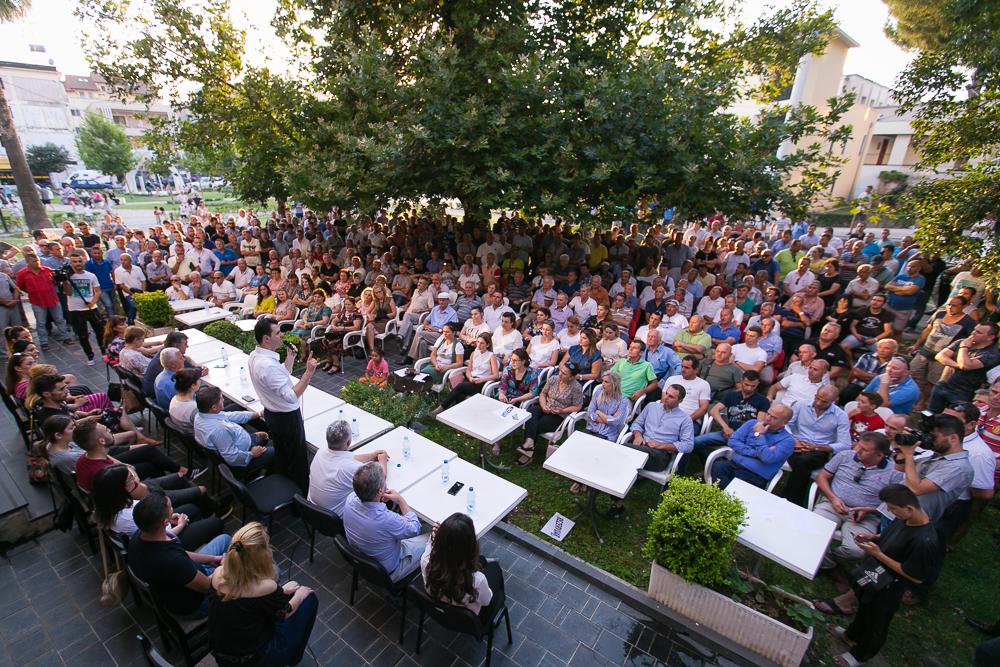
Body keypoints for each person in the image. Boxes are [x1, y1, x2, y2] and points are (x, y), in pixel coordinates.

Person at [826, 484, 943, 667]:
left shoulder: (925, 541)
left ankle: (859, 655)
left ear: (909, 508)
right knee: (864, 606)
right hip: (875, 574)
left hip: (890, 586)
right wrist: (873, 538)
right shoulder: (905, 519)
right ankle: (851, 635)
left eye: (893, 508)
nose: (889, 511)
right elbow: (894, 536)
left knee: (877, 621)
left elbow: (915, 576)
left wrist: (878, 554)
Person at [208, 522, 319, 667]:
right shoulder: (266, 587)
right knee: (309, 599)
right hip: (255, 660)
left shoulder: (217, 574)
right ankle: (291, 657)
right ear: (261, 556)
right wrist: (299, 596)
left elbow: (243, 599)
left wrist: (281, 591)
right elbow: (283, 613)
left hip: (222, 655)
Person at [127, 491, 231, 618]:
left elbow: (180, 552)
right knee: (241, 576)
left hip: (185, 578)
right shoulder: (171, 560)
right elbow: (207, 586)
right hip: (196, 604)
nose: (173, 509)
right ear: (165, 523)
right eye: (171, 508)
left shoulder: (139, 536)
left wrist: (212, 558)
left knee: (225, 539)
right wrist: (224, 567)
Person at [248, 317, 319, 490]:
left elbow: (279, 377)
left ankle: (284, 485)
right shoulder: (267, 365)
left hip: (272, 414)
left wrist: (290, 358)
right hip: (286, 418)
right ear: (266, 338)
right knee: (297, 459)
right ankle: (299, 495)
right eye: (278, 333)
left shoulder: (255, 356)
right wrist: (308, 373)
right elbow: (291, 396)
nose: (282, 335)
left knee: (283, 454)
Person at [813, 432, 901, 567]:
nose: (857, 450)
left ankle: (826, 560)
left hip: (865, 517)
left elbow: (894, 503)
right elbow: (821, 477)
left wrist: (871, 510)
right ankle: (827, 565)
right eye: (858, 445)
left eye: (864, 449)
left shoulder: (894, 473)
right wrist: (833, 498)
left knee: (857, 551)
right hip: (831, 505)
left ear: (880, 455)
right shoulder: (844, 456)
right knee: (811, 531)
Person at [92, 464, 223, 551]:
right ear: (119, 488)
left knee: (192, 508)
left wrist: (168, 518)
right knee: (216, 523)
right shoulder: (129, 517)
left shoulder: (108, 504)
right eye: (130, 479)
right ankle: (194, 551)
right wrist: (181, 525)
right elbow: (159, 538)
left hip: (158, 527)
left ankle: (198, 542)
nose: (136, 481)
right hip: (164, 544)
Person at [343, 462, 428, 581]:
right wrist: (400, 500)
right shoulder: (386, 519)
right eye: (384, 483)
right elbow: (415, 528)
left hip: (362, 557)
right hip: (388, 570)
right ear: (379, 492)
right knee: (433, 537)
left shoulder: (349, 499)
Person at [421, 512, 505, 621]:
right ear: (471, 545)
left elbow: (430, 548)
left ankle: (482, 560)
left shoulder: (426, 562)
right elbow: (486, 601)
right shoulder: (477, 580)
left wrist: (436, 538)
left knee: (482, 560)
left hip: (438, 607)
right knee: (494, 568)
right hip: (467, 620)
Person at [894, 414, 974, 524]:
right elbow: (899, 467)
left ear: (953, 438)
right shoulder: (934, 454)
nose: (929, 440)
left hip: (911, 520)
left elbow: (916, 489)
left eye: (933, 437)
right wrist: (905, 445)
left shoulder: (958, 467)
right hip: (894, 511)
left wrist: (908, 454)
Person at [782, 386, 851, 506]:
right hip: (796, 443)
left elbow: (845, 444)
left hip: (819, 450)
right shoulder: (801, 405)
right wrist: (794, 440)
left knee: (802, 462)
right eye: (817, 398)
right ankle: (793, 502)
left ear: (834, 401)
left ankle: (788, 499)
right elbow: (786, 424)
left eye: (824, 401)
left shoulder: (840, 415)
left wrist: (817, 447)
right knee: (801, 463)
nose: (818, 403)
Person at [307, 420, 388, 516]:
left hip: (312, 511)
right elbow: (379, 482)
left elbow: (346, 458)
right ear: (348, 442)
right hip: (336, 518)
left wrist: (372, 455)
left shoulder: (320, 452)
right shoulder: (350, 468)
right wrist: (383, 461)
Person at [193, 385, 275, 477]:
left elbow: (231, 416)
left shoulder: (201, 415)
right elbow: (232, 458)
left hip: (238, 444)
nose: (223, 399)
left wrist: (259, 413)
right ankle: (265, 477)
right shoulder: (219, 430)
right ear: (214, 407)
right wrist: (252, 454)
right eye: (221, 398)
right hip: (243, 457)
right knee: (277, 452)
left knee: (264, 436)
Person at [710, 404, 795, 490]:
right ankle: (723, 495)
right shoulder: (752, 423)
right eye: (768, 413)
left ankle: (721, 495)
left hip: (754, 475)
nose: (768, 418)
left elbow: (766, 458)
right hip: (733, 464)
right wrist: (756, 453)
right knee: (719, 465)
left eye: (774, 418)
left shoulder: (787, 441)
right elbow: (732, 441)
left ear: (784, 423)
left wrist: (759, 434)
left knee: (729, 483)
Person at [692, 371, 770, 461]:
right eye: (746, 384)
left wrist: (740, 436)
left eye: (753, 386)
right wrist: (725, 427)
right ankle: (712, 462)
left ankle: (717, 464)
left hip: (746, 439)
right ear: (741, 381)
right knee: (695, 442)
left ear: (758, 384)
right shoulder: (732, 395)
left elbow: (758, 424)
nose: (749, 388)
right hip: (728, 433)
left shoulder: (763, 401)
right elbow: (714, 411)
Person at [516, 362, 584, 465]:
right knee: (530, 413)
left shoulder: (576, 387)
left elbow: (577, 406)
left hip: (559, 414)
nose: (560, 374)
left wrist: (562, 411)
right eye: (560, 371)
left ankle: (527, 450)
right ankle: (529, 443)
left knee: (538, 424)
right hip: (546, 406)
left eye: (564, 373)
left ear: (571, 377)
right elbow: (543, 394)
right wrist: (544, 406)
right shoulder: (553, 379)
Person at [930, 323, 1000, 412]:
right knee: (930, 413)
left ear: (990, 337)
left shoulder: (992, 354)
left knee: (953, 417)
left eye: (978, 332)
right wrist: (958, 365)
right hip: (943, 384)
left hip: (963, 393)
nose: (973, 333)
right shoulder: (962, 341)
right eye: (974, 329)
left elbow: (966, 365)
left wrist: (964, 347)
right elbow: (940, 356)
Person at [626, 383, 694, 472]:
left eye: (671, 396)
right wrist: (638, 436)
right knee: (626, 452)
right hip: (641, 444)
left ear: (680, 401)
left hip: (660, 454)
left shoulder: (685, 419)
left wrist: (661, 445)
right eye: (666, 393)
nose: (666, 397)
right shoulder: (651, 406)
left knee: (624, 450)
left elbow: (688, 445)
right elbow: (637, 424)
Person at [430, 332, 500, 416]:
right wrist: (470, 377)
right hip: (471, 379)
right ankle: (456, 416)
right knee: (460, 394)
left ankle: (440, 409)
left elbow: (496, 375)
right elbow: (468, 370)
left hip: (481, 382)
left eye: (482, 343)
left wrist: (481, 379)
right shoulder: (474, 353)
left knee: (460, 386)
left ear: (488, 344)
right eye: (478, 342)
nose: (478, 345)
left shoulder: (491, 356)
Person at [14, 253, 72, 350]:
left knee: (60, 319)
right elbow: (20, 286)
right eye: (34, 261)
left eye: (38, 261)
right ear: (27, 262)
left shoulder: (47, 270)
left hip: (52, 299)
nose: (37, 263)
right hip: (37, 302)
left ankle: (66, 337)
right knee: (41, 323)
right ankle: (43, 342)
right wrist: (31, 291)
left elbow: (55, 282)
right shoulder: (22, 274)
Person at [63, 250, 104, 365]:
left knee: (99, 331)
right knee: (82, 335)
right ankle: (89, 355)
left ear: (83, 262)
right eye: (74, 262)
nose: (78, 264)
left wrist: (92, 302)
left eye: (79, 261)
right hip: (75, 310)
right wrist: (65, 281)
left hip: (91, 308)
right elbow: (68, 293)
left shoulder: (91, 276)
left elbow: (98, 291)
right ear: (71, 263)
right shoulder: (68, 277)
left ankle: (104, 351)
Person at [661, 356, 711, 423]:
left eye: (687, 368)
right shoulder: (671, 379)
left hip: (690, 420)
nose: (683, 370)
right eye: (682, 366)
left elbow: (703, 408)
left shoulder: (704, 384)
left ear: (696, 370)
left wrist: (687, 420)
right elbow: (663, 400)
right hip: (668, 417)